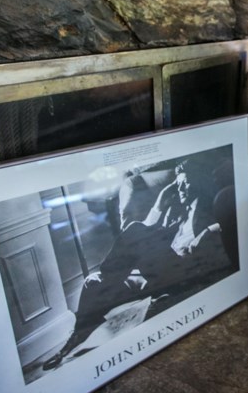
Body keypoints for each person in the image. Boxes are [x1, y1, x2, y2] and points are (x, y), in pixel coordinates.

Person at [44, 158, 226, 370]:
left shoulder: (205, 207)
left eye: (186, 183)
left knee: (135, 230)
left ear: (197, 183)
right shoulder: (174, 208)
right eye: (179, 183)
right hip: (156, 271)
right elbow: (149, 233)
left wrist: (205, 233)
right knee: (92, 282)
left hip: (183, 269)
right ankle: (74, 340)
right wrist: (160, 204)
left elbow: (217, 228)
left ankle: (108, 280)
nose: (182, 187)